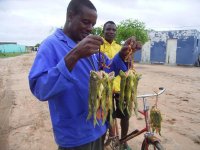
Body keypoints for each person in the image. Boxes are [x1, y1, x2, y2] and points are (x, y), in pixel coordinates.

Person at [28, 0, 141, 150]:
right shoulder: (51, 45)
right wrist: (75, 54)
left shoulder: (90, 45)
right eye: (86, 22)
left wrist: (122, 54)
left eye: (93, 25)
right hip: (76, 135)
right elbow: (40, 89)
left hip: (99, 126)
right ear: (70, 16)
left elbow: (107, 69)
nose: (90, 29)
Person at [100, 21, 132, 150]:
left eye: (114, 30)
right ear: (103, 31)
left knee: (125, 115)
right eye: (108, 29)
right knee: (106, 117)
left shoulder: (120, 47)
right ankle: (102, 143)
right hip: (104, 88)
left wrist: (130, 58)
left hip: (119, 87)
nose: (111, 32)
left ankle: (123, 142)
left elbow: (126, 68)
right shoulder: (99, 47)